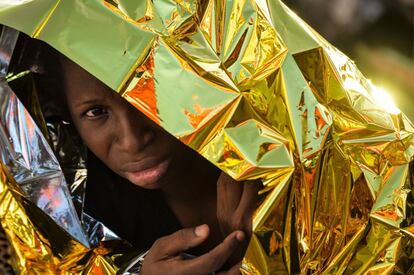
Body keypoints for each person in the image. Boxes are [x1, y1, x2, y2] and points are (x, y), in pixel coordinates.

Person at [11, 35, 260, 274]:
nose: (132, 141)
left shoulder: (274, 162)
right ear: (67, 117)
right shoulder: (80, 219)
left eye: (149, 94)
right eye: (96, 112)